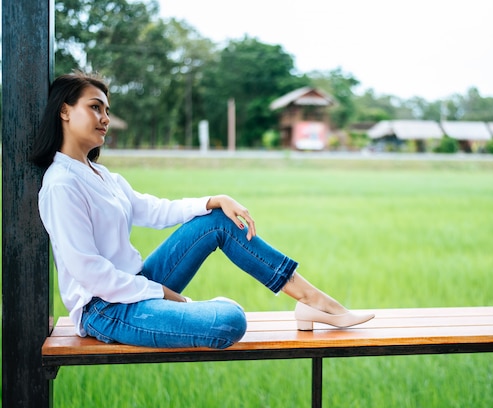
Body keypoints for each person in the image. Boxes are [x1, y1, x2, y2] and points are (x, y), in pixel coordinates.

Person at [31, 71, 374, 349]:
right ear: (64, 110)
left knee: (216, 221)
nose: (105, 118)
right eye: (95, 108)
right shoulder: (62, 184)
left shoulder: (102, 175)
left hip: (137, 285)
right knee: (229, 322)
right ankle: (204, 310)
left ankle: (313, 299)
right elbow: (89, 273)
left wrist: (213, 199)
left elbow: (153, 210)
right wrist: (162, 294)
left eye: (106, 110)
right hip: (103, 308)